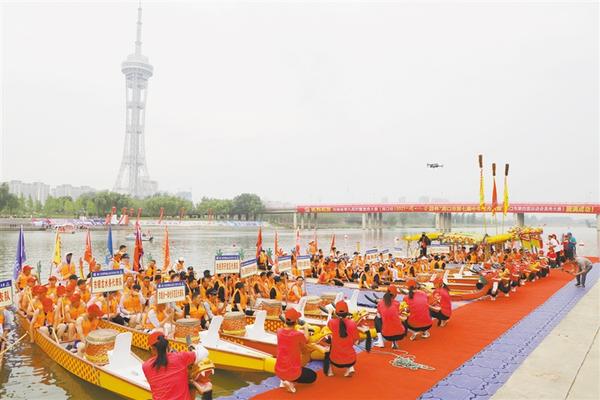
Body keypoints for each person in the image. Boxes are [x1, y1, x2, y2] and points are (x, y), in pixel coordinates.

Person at [142, 331, 211, 400]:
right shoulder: (179, 357)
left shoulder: (145, 367)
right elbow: (205, 352)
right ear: (168, 345)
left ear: (152, 349)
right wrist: (193, 346)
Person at [275, 308, 317, 393]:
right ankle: (290, 382)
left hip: (279, 370)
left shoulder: (279, 332)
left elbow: (289, 333)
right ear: (297, 321)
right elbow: (306, 339)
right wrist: (305, 327)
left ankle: (283, 380)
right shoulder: (298, 335)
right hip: (292, 372)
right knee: (313, 376)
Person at [325, 300, 359, 377]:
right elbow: (356, 341)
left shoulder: (332, 322)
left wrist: (330, 314)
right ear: (347, 312)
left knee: (327, 350)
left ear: (336, 312)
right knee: (350, 349)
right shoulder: (352, 323)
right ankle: (349, 368)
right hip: (350, 360)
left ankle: (330, 371)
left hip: (335, 360)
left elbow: (327, 325)